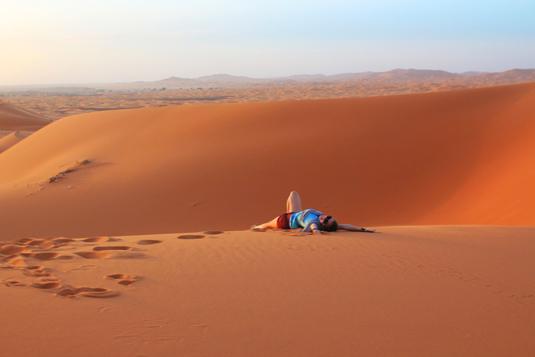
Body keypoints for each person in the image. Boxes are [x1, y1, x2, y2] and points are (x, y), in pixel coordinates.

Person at [252, 191, 375, 235]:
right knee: (293, 194)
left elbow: (314, 229)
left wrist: (316, 232)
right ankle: (261, 227)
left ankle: (256, 228)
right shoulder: (321, 217)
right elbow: (345, 226)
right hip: (295, 213)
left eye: (326, 221)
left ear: (323, 225)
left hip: (284, 221)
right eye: (329, 217)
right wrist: (364, 229)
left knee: (266, 225)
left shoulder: (314, 222)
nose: (325, 218)